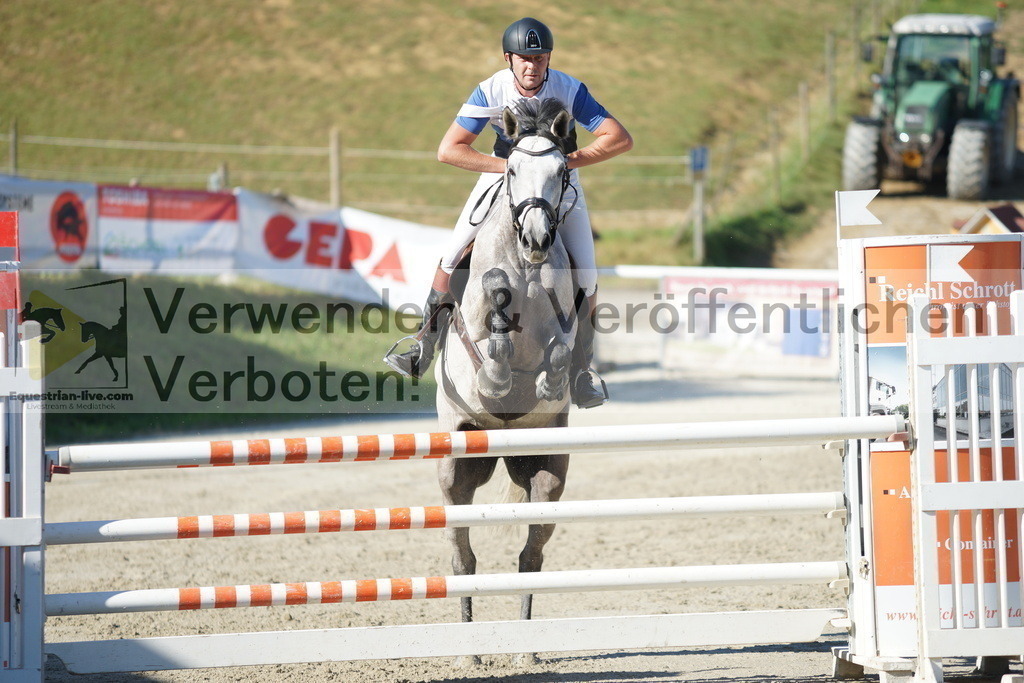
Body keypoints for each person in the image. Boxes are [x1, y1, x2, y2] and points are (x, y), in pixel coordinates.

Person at [385, 16, 632, 408]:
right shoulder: (490, 90)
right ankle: (423, 344)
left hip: (558, 182)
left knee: (587, 273)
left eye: (540, 58)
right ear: (508, 59)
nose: (532, 66)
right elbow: (448, 149)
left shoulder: (570, 88)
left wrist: (561, 163)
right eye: (524, 58)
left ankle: (583, 370)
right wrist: (515, 167)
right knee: (454, 252)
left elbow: (619, 138)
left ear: (549, 58)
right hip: (504, 175)